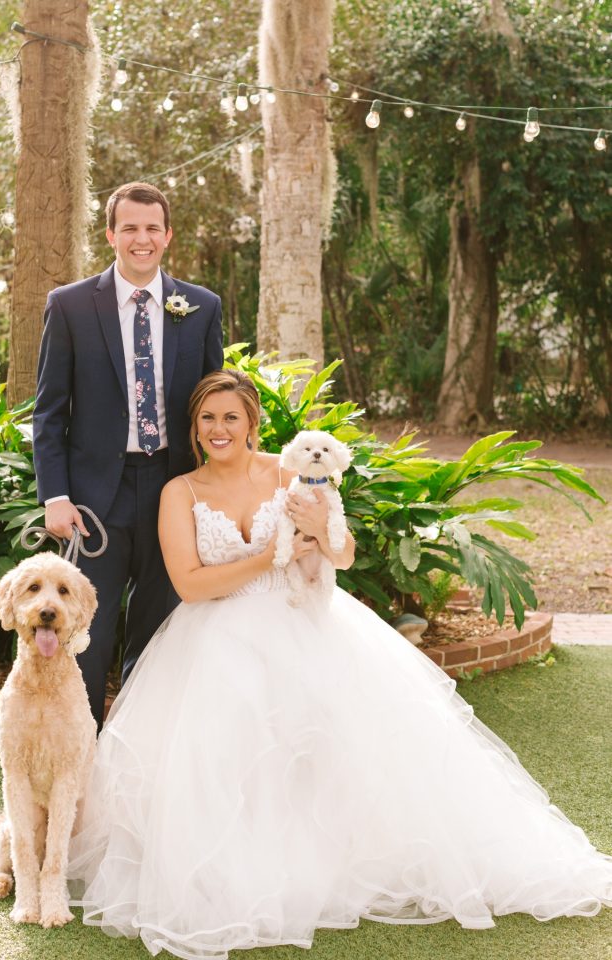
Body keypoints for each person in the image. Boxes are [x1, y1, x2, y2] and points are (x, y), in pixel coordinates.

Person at [67, 369, 612, 959]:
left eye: (231, 418)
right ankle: (255, 870)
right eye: (207, 418)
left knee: (337, 745)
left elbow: (344, 554)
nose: (219, 429)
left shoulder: (292, 471)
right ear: (194, 428)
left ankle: (340, 861)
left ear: (251, 425)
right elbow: (191, 585)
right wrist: (270, 559)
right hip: (214, 635)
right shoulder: (181, 492)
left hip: (306, 620)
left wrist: (319, 531)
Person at [33, 182, 223, 727]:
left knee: (160, 632)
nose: (142, 239)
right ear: (111, 234)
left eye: (152, 228)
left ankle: (138, 756)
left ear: (168, 235)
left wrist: (220, 487)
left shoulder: (202, 307)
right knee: (86, 635)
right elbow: (49, 411)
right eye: (131, 228)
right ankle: (83, 753)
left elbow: (215, 406)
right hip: (94, 501)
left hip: (175, 490)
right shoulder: (70, 305)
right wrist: (55, 496)